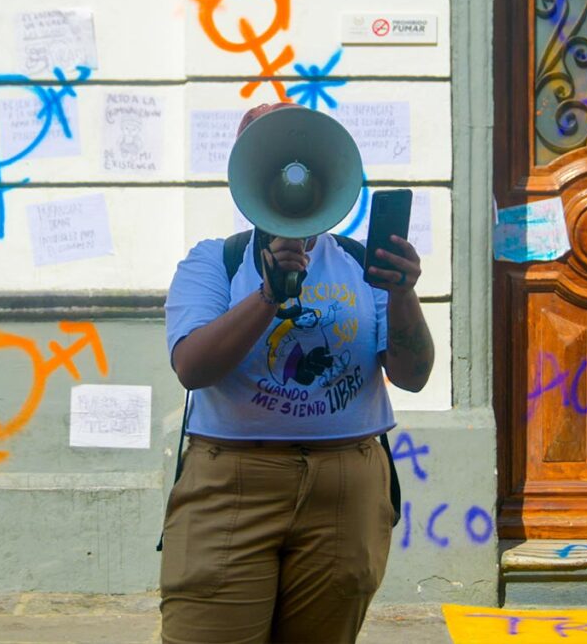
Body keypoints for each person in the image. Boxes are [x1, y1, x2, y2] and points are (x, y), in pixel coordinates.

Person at [160, 102, 435, 644]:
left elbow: (412, 375)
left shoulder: (360, 263)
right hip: (232, 483)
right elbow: (193, 367)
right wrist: (269, 295)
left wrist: (402, 293)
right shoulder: (215, 261)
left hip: (345, 488)